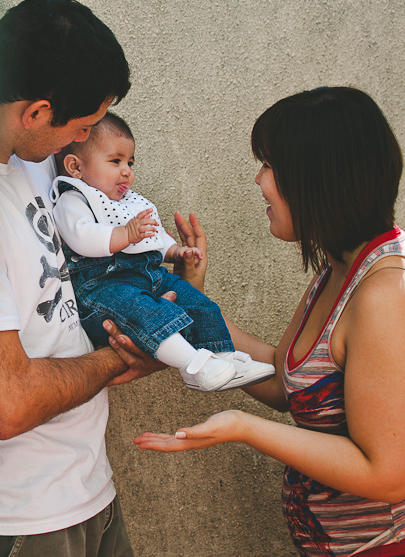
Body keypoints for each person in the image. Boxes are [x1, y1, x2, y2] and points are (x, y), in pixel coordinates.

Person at [0, 1, 179, 555]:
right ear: (36, 113)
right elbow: (7, 403)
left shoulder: (34, 159)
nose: (79, 149)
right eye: (80, 130)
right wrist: (123, 357)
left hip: (87, 490)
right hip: (6, 517)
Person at [133, 87, 405, 556]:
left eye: (268, 164)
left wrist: (244, 426)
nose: (258, 179)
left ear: (315, 177)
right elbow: (285, 379)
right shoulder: (342, 266)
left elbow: (388, 474)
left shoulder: (384, 294)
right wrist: (196, 303)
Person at [51, 112, 275, 392]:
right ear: (75, 167)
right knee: (149, 314)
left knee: (198, 301)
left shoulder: (128, 203)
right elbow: (82, 237)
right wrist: (125, 234)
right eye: (115, 161)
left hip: (150, 276)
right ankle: (192, 364)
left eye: (130, 163)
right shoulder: (74, 199)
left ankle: (223, 356)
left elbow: (155, 235)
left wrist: (175, 252)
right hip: (104, 288)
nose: (127, 171)